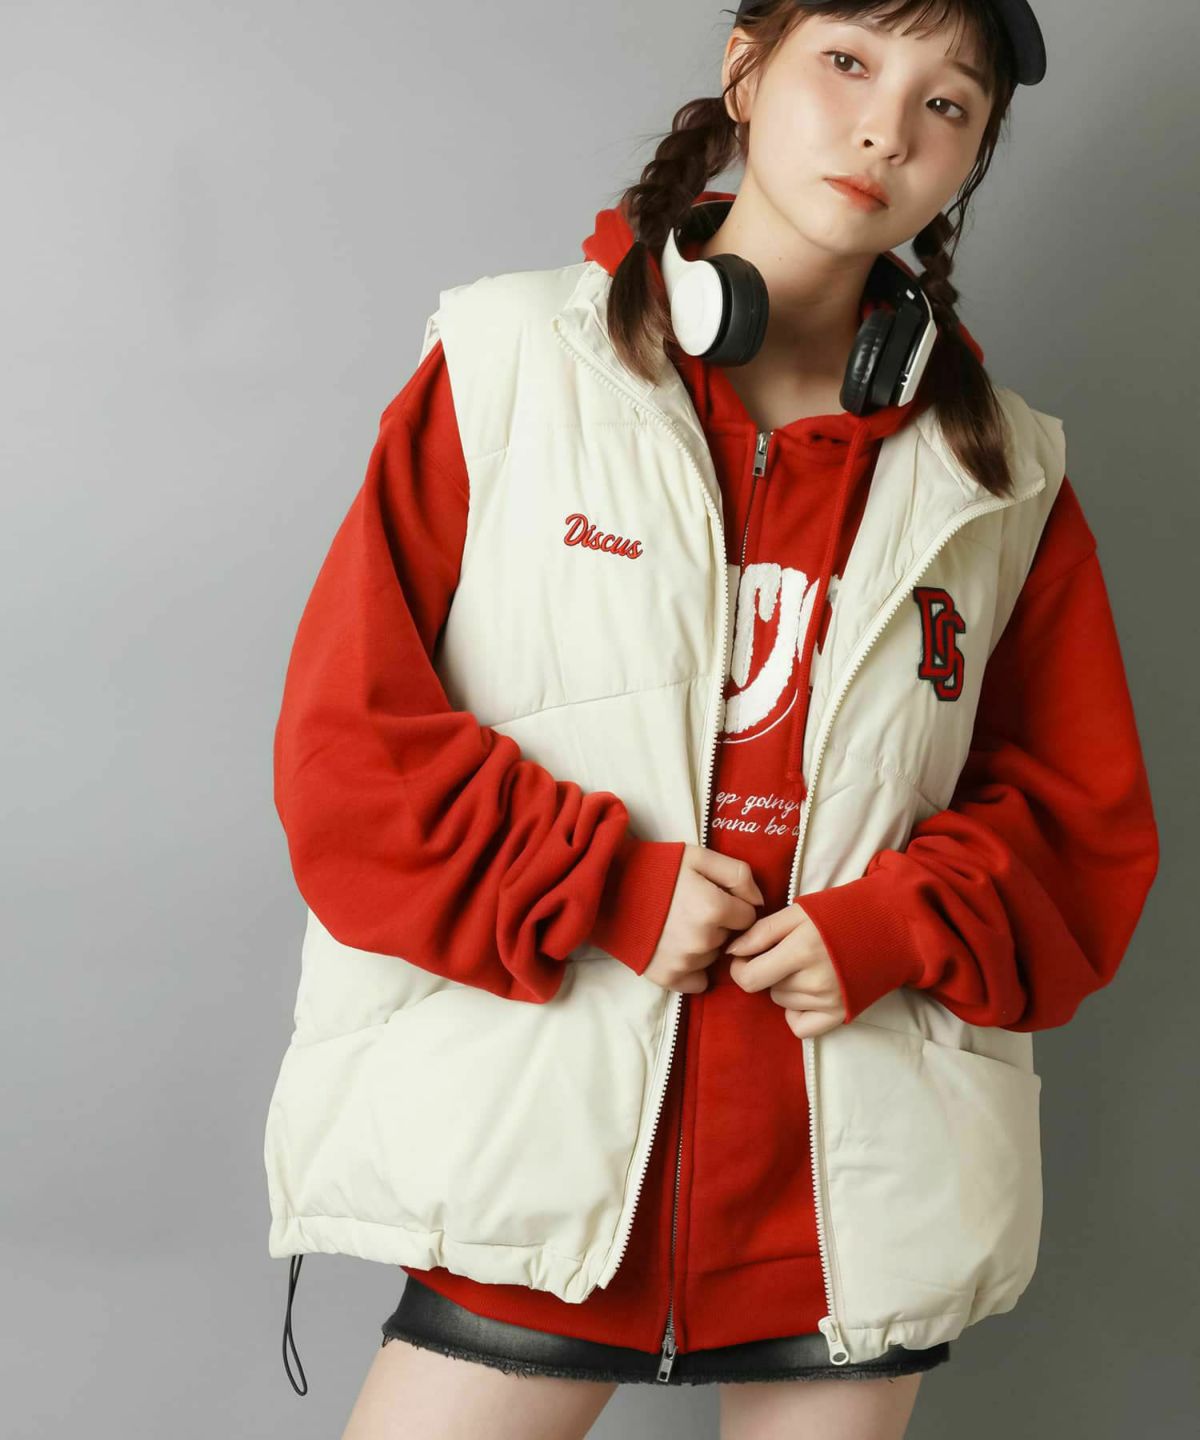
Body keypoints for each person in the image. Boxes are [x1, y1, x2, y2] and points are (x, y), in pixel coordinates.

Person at [264, 4, 1160, 1438]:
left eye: (946, 104)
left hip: (852, 1192)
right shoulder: (508, 367)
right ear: (746, 68)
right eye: (848, 62)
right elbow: (348, 750)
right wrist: (606, 885)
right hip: (536, 1145)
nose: (885, 128)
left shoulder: (1005, 474)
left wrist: (893, 924)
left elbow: (1082, 832)